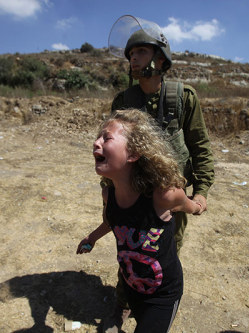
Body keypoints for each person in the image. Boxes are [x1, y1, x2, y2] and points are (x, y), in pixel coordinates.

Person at [104, 15, 215, 332]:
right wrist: (108, 190)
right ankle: (124, 301)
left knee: (164, 256)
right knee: (130, 252)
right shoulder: (124, 101)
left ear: (159, 57)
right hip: (132, 195)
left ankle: (156, 307)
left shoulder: (183, 97)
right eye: (131, 54)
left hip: (169, 198)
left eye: (140, 51)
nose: (133, 58)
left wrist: (202, 190)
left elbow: (200, 147)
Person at [77, 109, 202, 333]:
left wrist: (199, 204)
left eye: (106, 138)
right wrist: (92, 237)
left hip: (163, 294)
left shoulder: (163, 195)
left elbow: (189, 206)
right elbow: (112, 221)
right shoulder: (109, 195)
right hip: (133, 285)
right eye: (97, 137)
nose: (96, 143)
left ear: (133, 153)